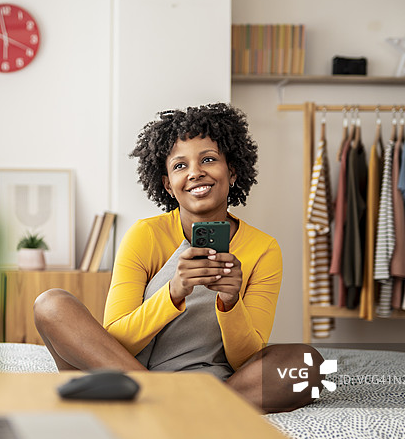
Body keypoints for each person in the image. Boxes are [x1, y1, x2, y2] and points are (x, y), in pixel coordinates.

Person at [34, 103, 323, 413]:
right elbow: (116, 341)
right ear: (168, 185)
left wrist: (230, 302)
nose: (196, 172)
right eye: (180, 166)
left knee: (308, 365)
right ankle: (165, 402)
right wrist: (172, 293)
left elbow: (245, 358)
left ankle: (179, 406)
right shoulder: (144, 235)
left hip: (210, 380)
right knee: (51, 305)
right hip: (125, 374)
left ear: (233, 171)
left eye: (209, 160)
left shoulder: (263, 249)